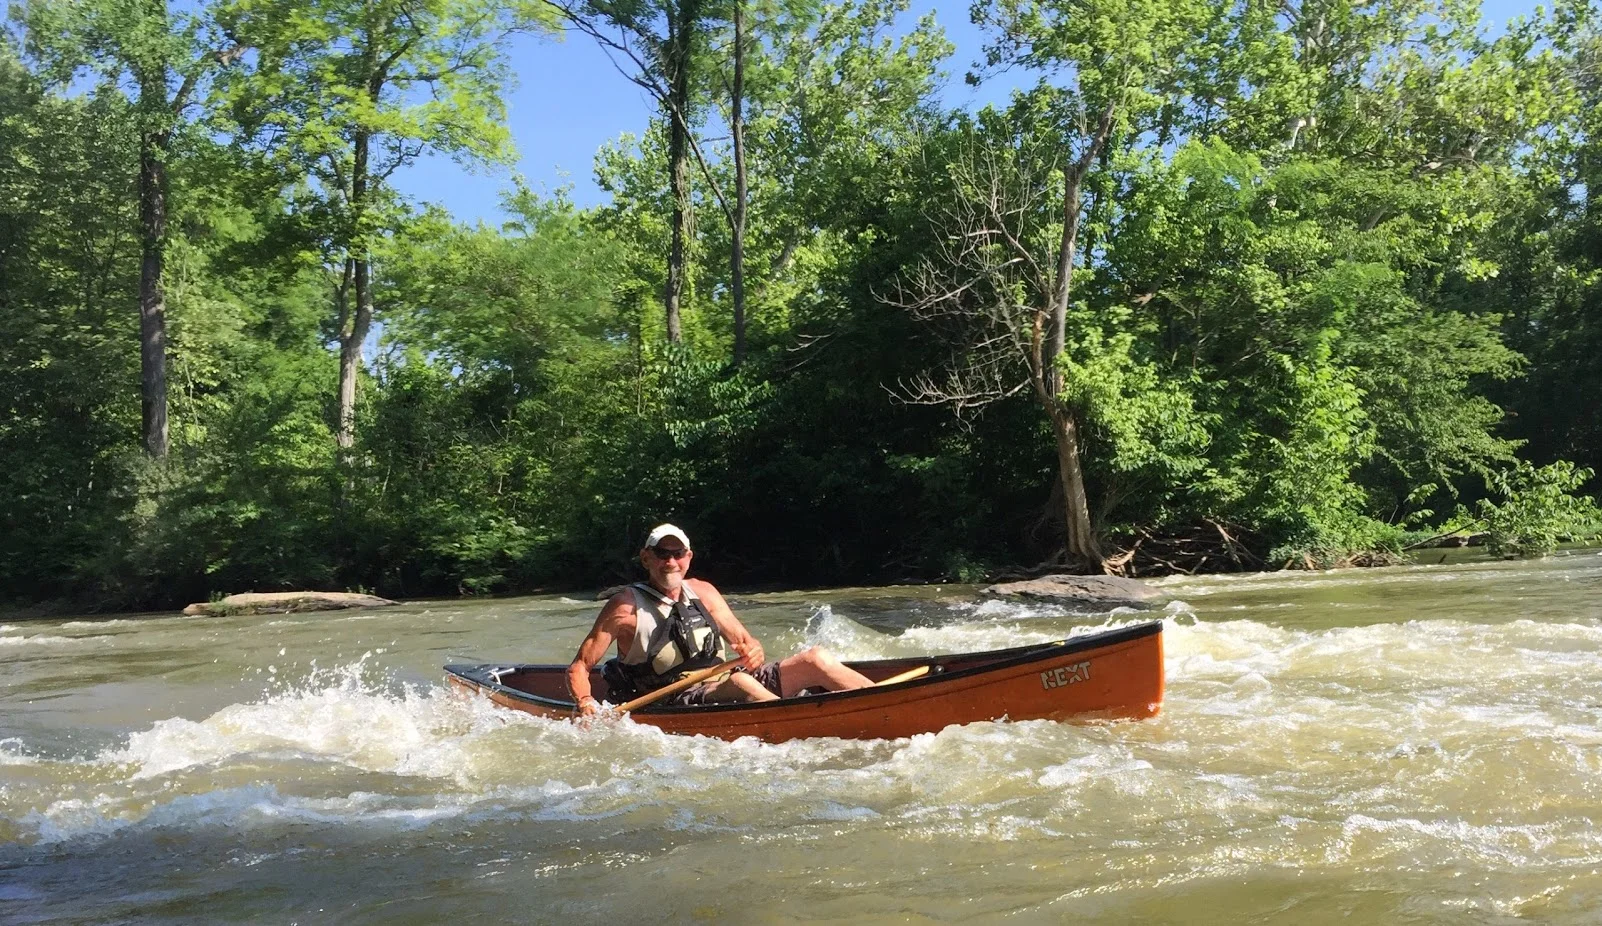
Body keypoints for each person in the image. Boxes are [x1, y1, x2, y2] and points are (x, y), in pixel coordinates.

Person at [567, 524, 875, 717]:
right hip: (673, 699)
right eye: (662, 553)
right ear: (646, 558)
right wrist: (584, 701)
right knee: (740, 681)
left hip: (724, 685)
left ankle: (884, 702)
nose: (670, 562)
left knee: (816, 659)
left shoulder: (705, 592)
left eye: (678, 553)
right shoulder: (624, 608)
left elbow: (746, 644)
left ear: (689, 557)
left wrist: (753, 650)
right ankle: (805, 722)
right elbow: (580, 667)